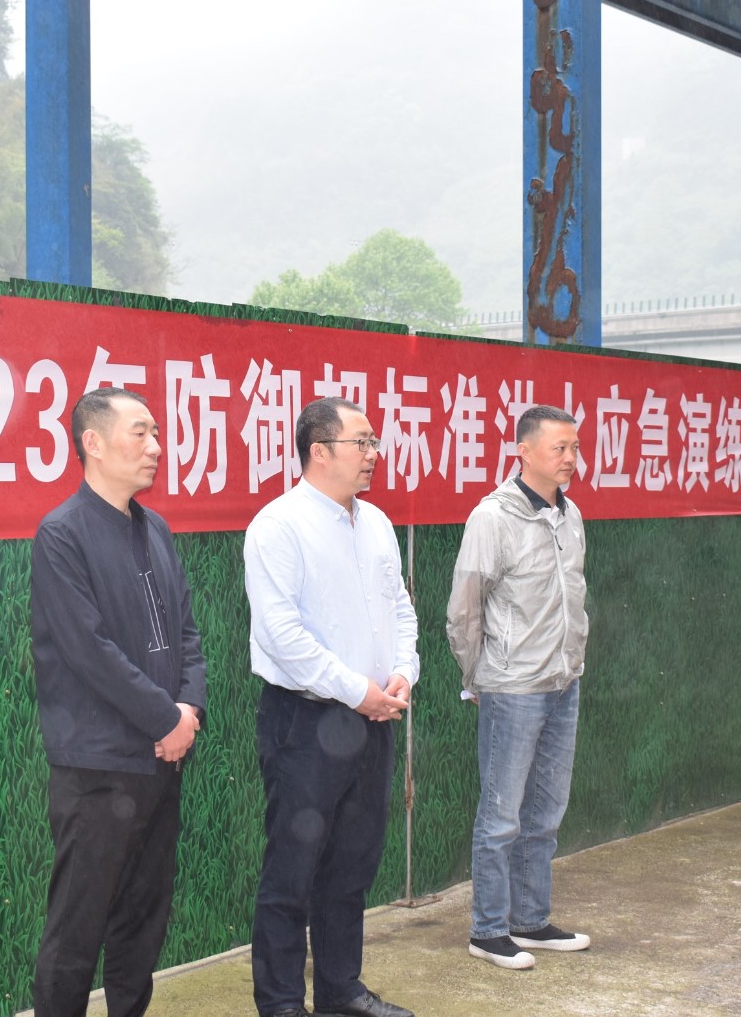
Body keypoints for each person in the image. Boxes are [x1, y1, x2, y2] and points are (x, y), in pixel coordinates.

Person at [29, 386, 207, 1017]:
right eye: (141, 433)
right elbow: (89, 650)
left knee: (142, 920)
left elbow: (187, 634)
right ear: (94, 443)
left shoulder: (154, 528)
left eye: (157, 433)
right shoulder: (62, 534)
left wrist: (189, 712)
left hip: (161, 760)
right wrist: (165, 718)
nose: (156, 446)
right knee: (76, 931)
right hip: (98, 769)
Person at [243, 396, 419, 1017]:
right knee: (291, 874)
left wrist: (402, 673)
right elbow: (281, 634)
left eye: (374, 442)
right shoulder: (278, 526)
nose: (373, 454)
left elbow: (400, 608)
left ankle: (341, 992)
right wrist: (356, 690)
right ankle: (282, 1003)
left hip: (374, 718)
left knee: (351, 866)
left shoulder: (376, 523)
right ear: (319, 451)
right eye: (361, 442)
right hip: (306, 722)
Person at [445, 404, 592, 971]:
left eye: (574, 447)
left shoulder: (570, 516)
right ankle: (488, 930)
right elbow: (464, 610)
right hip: (512, 688)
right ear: (523, 452)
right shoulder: (492, 517)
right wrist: (477, 676)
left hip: (563, 682)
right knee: (502, 815)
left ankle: (530, 920)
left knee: (546, 811)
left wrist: (571, 661)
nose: (571, 458)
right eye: (560, 448)